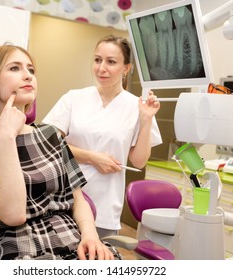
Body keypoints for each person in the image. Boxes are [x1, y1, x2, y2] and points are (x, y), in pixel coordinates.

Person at [0, 45, 121, 260]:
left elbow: (78, 199)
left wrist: (91, 236)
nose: (28, 76)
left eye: (31, 70)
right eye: (15, 68)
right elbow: (13, 215)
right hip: (20, 249)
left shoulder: (50, 134)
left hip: (73, 243)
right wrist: (6, 138)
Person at [42, 35, 162, 238]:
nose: (101, 68)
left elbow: (139, 161)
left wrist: (147, 119)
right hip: (64, 201)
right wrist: (92, 157)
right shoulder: (74, 98)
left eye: (111, 62)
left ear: (126, 68)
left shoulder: (137, 106)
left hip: (105, 207)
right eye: (97, 60)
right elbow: (47, 144)